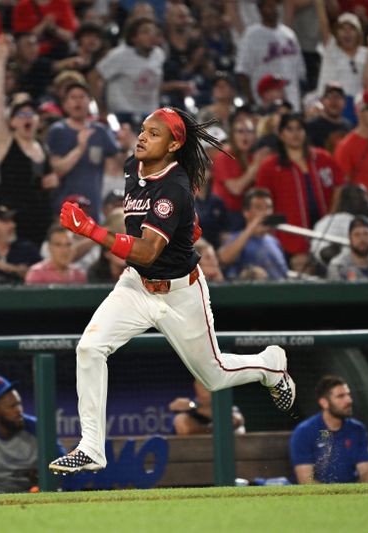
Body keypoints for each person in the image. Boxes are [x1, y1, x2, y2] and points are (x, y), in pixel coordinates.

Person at [48, 107, 295, 474]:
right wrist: (187, 226)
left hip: (180, 293)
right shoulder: (135, 166)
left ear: (174, 144)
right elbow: (159, 235)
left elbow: (148, 248)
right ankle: (91, 447)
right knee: (89, 348)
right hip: (136, 285)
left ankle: (270, 365)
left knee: (213, 376)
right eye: (144, 130)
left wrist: (91, 231)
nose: (143, 137)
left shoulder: (174, 187)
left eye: (154, 133)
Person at [0, 37, 55, 247]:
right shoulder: (5, 143)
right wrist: (1, 60)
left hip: (42, 224)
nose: (27, 117)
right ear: (13, 122)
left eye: (31, 113)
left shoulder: (42, 147)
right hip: (14, 228)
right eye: (21, 114)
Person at [255, 113, 344, 268]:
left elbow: (340, 188)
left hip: (326, 234)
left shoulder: (323, 158)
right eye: (289, 129)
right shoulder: (269, 167)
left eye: (299, 128)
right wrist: (280, 227)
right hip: (290, 240)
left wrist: (332, 216)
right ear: (281, 134)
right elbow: (261, 205)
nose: (295, 134)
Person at [0, 375, 65, 494]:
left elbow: (66, 469)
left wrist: (47, 477)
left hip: (33, 499)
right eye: (12, 406)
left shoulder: (39, 429)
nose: (19, 410)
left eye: (19, 404)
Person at [46, 82, 119, 220]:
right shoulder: (58, 130)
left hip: (93, 205)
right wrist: (80, 148)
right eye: (73, 97)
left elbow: (119, 161)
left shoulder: (100, 130)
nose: (77, 101)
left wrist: (128, 145)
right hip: (65, 204)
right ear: (65, 104)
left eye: (82, 97)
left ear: (89, 102)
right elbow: (58, 169)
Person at [289, 375, 368, 484]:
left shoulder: (358, 429)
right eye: (341, 396)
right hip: (317, 499)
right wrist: (336, 498)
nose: (349, 400)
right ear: (324, 403)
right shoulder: (304, 432)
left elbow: (367, 473)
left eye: (348, 395)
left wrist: (355, 496)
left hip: (352, 495)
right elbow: (306, 480)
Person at [314, 2, 368, 122]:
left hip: (362, 108)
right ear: (337, 33)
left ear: (359, 33)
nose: (347, 33)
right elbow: (324, 24)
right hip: (333, 107)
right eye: (342, 28)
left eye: (352, 28)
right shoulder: (332, 51)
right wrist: (319, 4)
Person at [234, 0, 306, 111]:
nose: (273, 10)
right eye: (268, 6)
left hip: (292, 99)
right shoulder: (251, 35)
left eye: (275, 6)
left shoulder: (289, 34)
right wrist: (252, 101)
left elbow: (300, 73)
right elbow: (243, 72)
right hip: (264, 100)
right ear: (260, 9)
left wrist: (300, 101)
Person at [90, 17, 164, 122]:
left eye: (154, 32)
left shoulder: (159, 54)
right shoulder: (119, 55)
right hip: (122, 114)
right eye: (145, 32)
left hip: (150, 114)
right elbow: (93, 77)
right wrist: (101, 108)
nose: (151, 35)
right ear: (133, 38)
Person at [210, 114, 270, 229]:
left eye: (249, 131)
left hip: (247, 214)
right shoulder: (225, 156)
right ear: (233, 135)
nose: (245, 135)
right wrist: (256, 165)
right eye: (240, 131)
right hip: (227, 215)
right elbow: (236, 189)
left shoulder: (252, 157)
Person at [217, 188, 288, 281]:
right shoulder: (235, 238)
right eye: (259, 207)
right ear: (246, 213)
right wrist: (252, 227)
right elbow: (223, 259)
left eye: (269, 207)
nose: (266, 212)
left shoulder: (274, 241)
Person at [0, 205, 41, 285]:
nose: (13, 225)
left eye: (12, 221)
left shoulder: (27, 249)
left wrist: (11, 268)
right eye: (6, 222)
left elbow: (43, 275)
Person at [168, 380, 245, 435]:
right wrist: (193, 406)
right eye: (199, 389)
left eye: (205, 389)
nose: (202, 394)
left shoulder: (227, 408)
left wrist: (199, 410)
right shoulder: (193, 405)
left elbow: (236, 421)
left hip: (232, 452)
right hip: (196, 451)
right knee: (180, 419)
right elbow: (173, 406)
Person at [11, 0, 77, 59]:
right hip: (32, 57)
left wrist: (53, 28)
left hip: (58, 52)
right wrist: (43, 24)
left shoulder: (62, 3)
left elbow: (70, 36)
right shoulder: (23, 6)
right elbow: (21, 38)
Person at [306, 82, 352, 154]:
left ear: (345, 103)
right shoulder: (310, 127)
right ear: (322, 101)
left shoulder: (349, 127)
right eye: (329, 97)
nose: (334, 101)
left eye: (338, 97)